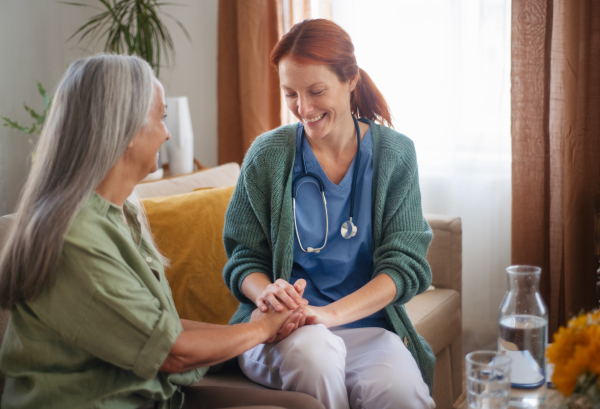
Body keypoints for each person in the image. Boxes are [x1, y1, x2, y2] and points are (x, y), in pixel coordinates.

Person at [0, 54, 315, 409]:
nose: (167, 132)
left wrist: (261, 323)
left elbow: (161, 327)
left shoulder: (118, 215)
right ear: (125, 130)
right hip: (101, 401)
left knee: (305, 405)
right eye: (160, 117)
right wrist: (260, 329)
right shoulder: (75, 236)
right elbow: (171, 353)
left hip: (152, 393)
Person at [223, 19, 436, 409]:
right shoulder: (268, 155)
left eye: (316, 91)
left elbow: (405, 266)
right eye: (291, 94)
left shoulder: (395, 154)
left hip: (365, 327)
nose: (303, 109)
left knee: (401, 391)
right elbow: (243, 258)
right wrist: (266, 292)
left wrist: (327, 314)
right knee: (315, 356)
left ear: (350, 79)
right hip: (283, 332)